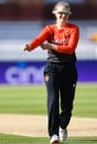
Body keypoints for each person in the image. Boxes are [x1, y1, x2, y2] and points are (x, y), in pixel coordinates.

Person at [23, 2, 79, 143]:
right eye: (60, 13)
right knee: (53, 100)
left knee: (67, 105)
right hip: (52, 67)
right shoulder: (50, 29)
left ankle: (62, 125)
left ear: (68, 15)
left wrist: (51, 46)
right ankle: (53, 134)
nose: (62, 16)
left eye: (65, 14)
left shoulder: (73, 29)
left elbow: (70, 49)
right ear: (54, 13)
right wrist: (30, 46)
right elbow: (39, 39)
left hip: (69, 69)